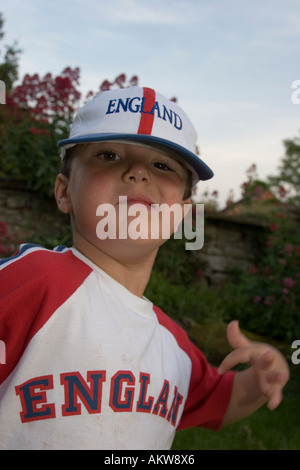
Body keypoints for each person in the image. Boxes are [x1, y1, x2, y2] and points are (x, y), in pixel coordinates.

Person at [0, 86, 289, 450]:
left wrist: (259, 379)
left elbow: (216, 399)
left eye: (162, 165)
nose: (137, 172)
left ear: (181, 214)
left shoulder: (173, 344)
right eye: (108, 155)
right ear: (64, 192)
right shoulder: (34, 282)